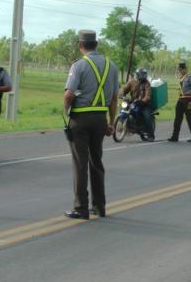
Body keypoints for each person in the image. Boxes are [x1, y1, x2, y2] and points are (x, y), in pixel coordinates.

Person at [63, 30, 119, 220]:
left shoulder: (78, 66)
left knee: (80, 163)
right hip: (100, 119)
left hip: (80, 119)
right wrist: (111, 122)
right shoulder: (112, 66)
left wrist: (65, 111)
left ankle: (81, 208)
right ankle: (100, 206)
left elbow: (69, 94)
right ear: (96, 44)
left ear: (80, 46)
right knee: (97, 161)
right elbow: (113, 99)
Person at [120, 67, 155, 141]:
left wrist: (143, 100)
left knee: (147, 117)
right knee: (123, 109)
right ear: (138, 74)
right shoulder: (132, 82)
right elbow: (124, 88)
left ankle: (151, 135)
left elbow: (148, 95)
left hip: (144, 104)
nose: (143, 76)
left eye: (144, 74)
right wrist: (122, 94)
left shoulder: (147, 83)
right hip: (133, 102)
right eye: (142, 74)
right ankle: (127, 126)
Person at [168, 62, 191, 143]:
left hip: (188, 99)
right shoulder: (181, 77)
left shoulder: (190, 77)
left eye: (180, 69)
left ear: (184, 69)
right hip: (181, 99)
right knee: (177, 118)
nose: (179, 71)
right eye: (179, 69)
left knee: (189, 118)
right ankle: (175, 136)